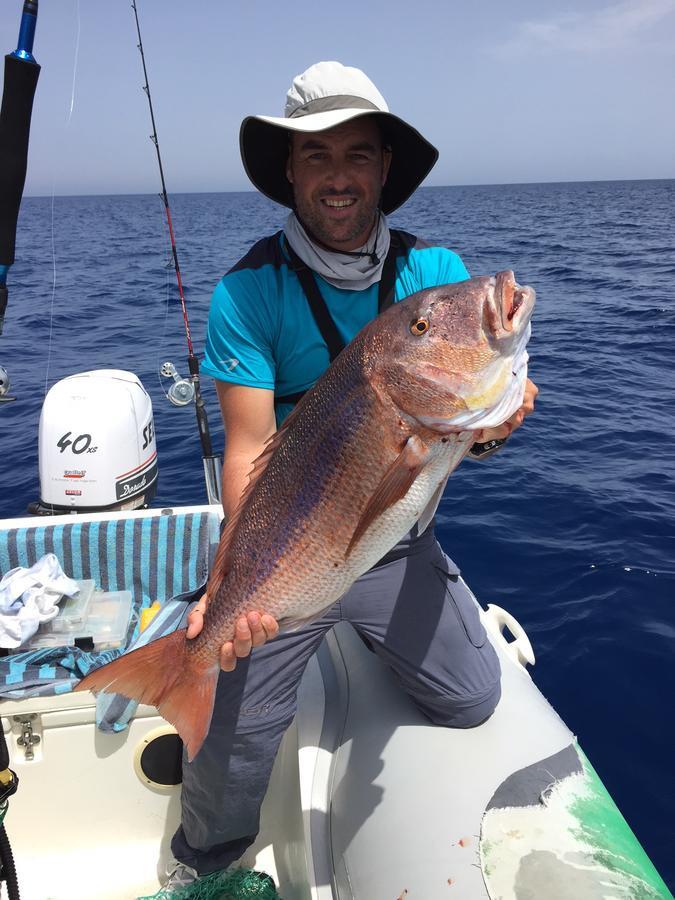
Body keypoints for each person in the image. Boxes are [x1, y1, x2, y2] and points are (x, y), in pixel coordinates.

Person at [153, 61, 537, 897]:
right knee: (238, 736)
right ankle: (204, 862)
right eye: (315, 155)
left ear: (384, 167)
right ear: (288, 170)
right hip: (290, 538)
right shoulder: (247, 293)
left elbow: (451, 438)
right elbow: (249, 455)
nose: (337, 176)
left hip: (392, 540)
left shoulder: (432, 272)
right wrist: (232, 590)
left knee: (473, 699)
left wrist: (490, 431)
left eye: (356, 154)